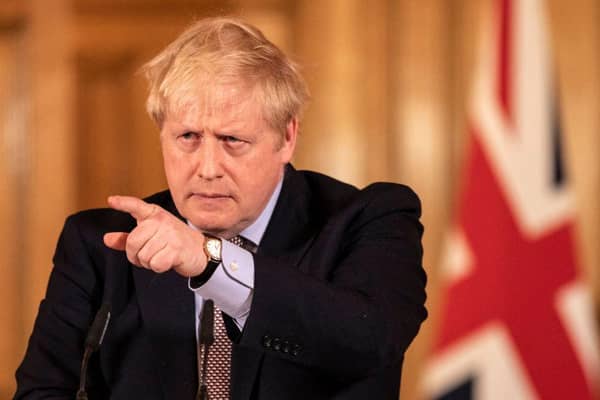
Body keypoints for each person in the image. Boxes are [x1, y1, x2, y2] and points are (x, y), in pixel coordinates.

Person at [15, 17, 427, 400]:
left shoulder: (370, 220)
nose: (207, 168)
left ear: (286, 137)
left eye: (232, 140)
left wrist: (210, 261)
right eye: (188, 136)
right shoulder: (101, 246)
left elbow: (369, 339)